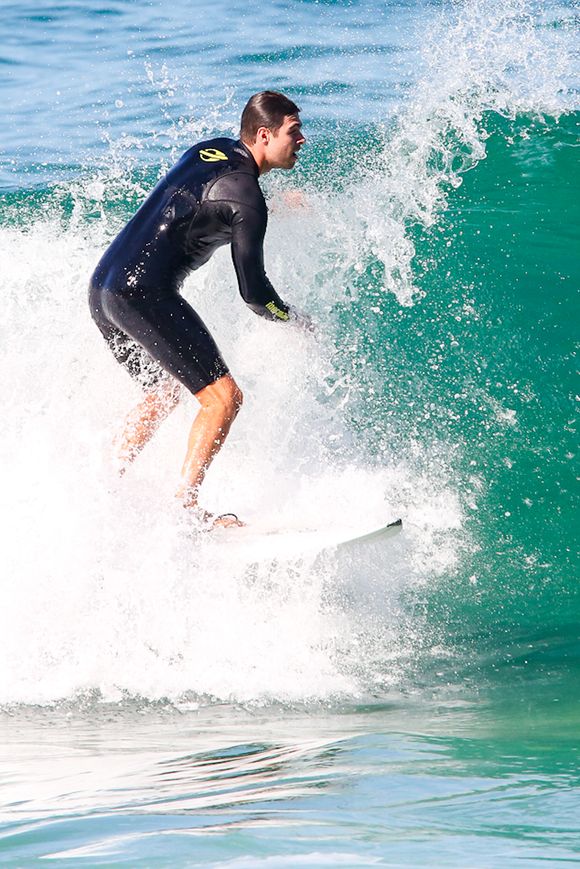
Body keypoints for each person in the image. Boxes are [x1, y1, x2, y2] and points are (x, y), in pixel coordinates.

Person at [89, 90, 308, 528]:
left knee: (166, 389)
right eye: (293, 131)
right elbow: (254, 294)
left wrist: (272, 207)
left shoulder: (214, 150)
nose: (302, 139)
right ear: (264, 135)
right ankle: (184, 511)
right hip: (144, 295)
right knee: (224, 399)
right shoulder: (248, 201)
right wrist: (292, 319)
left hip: (105, 288)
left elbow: (207, 197)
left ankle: (101, 483)